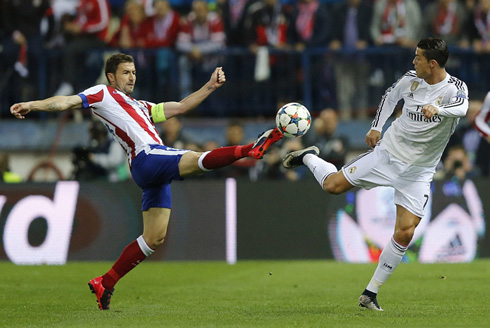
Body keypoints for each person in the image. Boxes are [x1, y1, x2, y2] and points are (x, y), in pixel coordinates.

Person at [10, 53, 283, 310]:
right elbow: (66, 101)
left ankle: (105, 282)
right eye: (125, 72)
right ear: (111, 77)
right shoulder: (102, 94)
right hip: (147, 157)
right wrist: (33, 105)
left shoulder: (142, 106)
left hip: (151, 170)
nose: (131, 77)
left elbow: (182, 106)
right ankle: (249, 150)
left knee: (154, 237)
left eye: (134, 72)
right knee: (196, 159)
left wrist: (209, 86)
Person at [282, 38, 469, 311]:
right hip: (387, 155)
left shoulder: (454, 88)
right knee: (333, 186)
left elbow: (463, 108)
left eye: (418, 58)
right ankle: (308, 156)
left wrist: (438, 109)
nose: (413, 62)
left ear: (432, 63)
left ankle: (370, 293)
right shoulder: (410, 80)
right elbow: (390, 97)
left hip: (418, 171)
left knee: (405, 233)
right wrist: (376, 127)